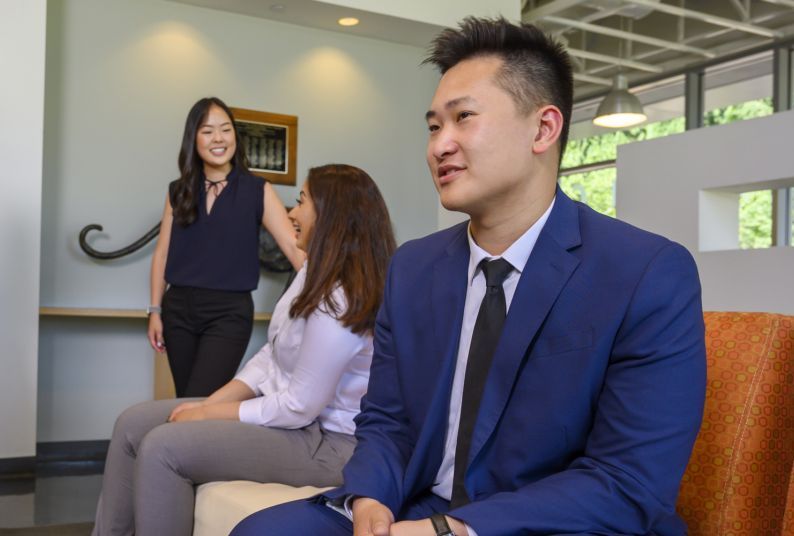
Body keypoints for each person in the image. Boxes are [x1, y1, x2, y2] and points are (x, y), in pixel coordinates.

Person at [231, 17, 706, 536]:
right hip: (415, 505)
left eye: (464, 119)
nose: (439, 145)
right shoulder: (413, 267)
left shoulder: (645, 272)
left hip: (550, 524)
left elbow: (627, 480)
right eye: (434, 126)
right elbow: (388, 421)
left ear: (543, 128)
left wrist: (451, 530)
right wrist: (370, 500)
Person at [92, 164, 397, 536]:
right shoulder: (313, 270)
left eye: (301, 202)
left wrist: (210, 415)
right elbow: (270, 356)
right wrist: (209, 405)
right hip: (299, 422)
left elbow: (299, 406)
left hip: (331, 443)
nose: (291, 213)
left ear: (330, 215)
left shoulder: (341, 299)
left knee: (163, 448)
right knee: (132, 424)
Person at [147, 97, 305, 397]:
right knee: (185, 398)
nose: (218, 138)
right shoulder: (178, 191)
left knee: (201, 401)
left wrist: (334, 293)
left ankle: (185, 444)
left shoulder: (258, 189)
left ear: (235, 135)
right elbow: (162, 253)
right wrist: (154, 311)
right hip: (177, 309)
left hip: (228, 313)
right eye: (207, 131)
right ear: (193, 138)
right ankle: (187, 445)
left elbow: (293, 248)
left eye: (226, 129)